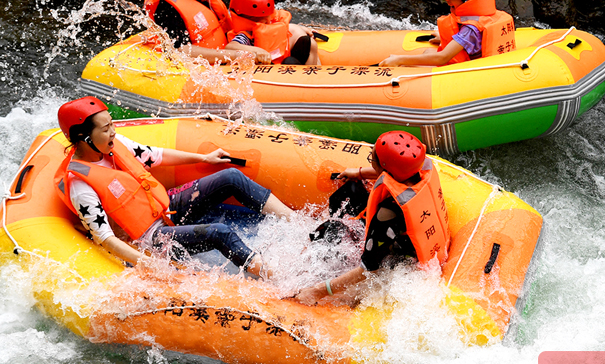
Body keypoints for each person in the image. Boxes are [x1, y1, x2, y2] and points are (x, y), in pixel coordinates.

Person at [53, 96, 294, 277]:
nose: (113, 132)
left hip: (164, 207)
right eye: (106, 130)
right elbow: (105, 238)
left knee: (231, 176)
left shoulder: (115, 143)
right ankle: (276, 276)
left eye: (112, 125)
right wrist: (149, 264)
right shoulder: (80, 185)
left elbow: (154, 155)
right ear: (85, 138)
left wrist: (203, 158)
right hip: (150, 238)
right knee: (219, 232)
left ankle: (299, 223)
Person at [294, 131, 449, 305]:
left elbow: (368, 269)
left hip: (401, 265)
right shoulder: (419, 170)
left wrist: (317, 291)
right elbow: (393, 175)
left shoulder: (387, 213)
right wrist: (359, 173)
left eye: (371, 157)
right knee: (349, 191)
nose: (370, 159)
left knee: (329, 230)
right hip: (426, 244)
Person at [379, 0, 516, 67]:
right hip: (480, 58)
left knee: (426, 58)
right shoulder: (485, 14)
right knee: (428, 52)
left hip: (471, 71)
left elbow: (442, 57)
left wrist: (399, 60)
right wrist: (449, 39)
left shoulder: (471, 30)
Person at [225, 0, 320, 65]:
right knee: (290, 62)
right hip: (267, 72)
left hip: (283, 63)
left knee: (311, 44)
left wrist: (301, 28)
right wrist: (257, 51)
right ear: (249, 19)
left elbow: (282, 27)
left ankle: (317, 78)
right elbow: (230, 47)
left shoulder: (270, 22)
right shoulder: (245, 36)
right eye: (263, 18)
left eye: (269, 15)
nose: (268, 20)